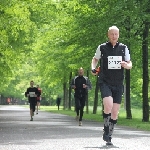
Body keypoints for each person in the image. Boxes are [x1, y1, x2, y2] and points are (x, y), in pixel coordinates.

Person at [91, 26, 132, 145]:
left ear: (118, 35)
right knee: (108, 104)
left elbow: (130, 63)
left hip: (118, 83)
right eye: (112, 34)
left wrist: (126, 65)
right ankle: (106, 128)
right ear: (108, 35)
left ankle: (109, 135)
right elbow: (95, 59)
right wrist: (93, 68)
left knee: (115, 112)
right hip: (105, 81)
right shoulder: (102, 47)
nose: (114, 36)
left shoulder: (124, 48)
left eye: (116, 34)